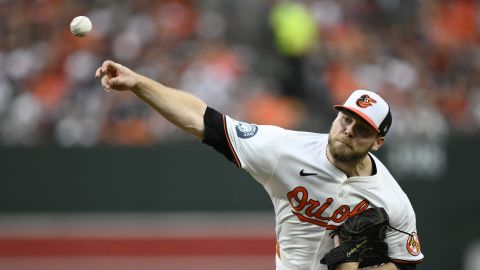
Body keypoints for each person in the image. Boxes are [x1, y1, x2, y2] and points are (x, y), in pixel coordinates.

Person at [95, 60, 424, 270]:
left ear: (378, 142)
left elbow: (404, 265)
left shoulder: (392, 200)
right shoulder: (284, 150)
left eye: (361, 129)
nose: (348, 131)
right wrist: (139, 84)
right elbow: (202, 119)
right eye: (345, 119)